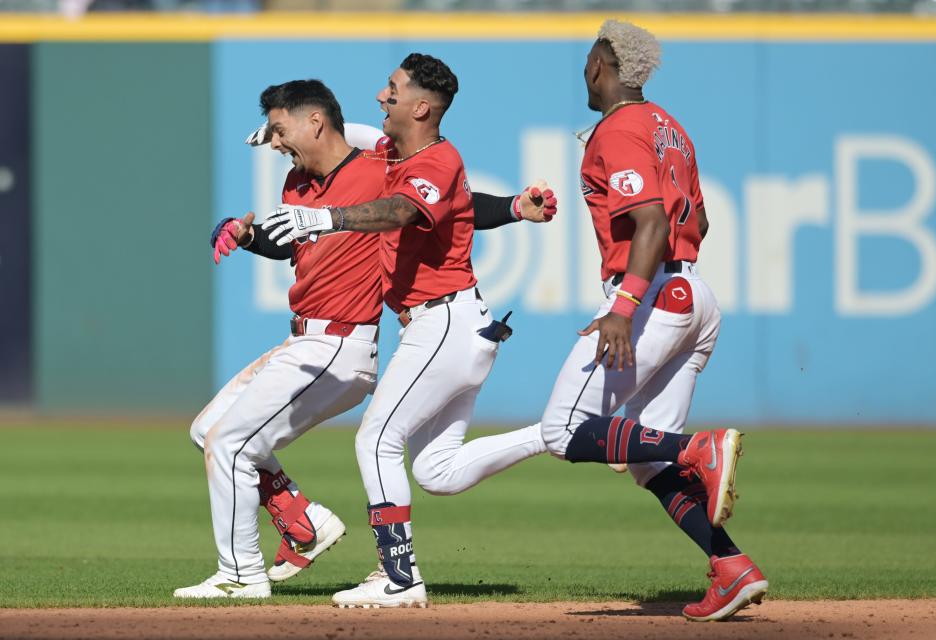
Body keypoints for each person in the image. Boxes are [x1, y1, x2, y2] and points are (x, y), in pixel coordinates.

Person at [175, 79, 556, 599]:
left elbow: (451, 204)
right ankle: (302, 520)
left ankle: (243, 574)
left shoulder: (379, 170)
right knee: (207, 431)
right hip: (301, 339)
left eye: (279, 129)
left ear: (314, 122)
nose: (275, 142)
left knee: (233, 443)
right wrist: (247, 237)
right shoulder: (297, 184)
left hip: (339, 346)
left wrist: (513, 206)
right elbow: (292, 245)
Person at [533, 20, 767, 622]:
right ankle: (730, 567)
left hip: (651, 293)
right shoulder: (672, 128)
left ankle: (701, 448)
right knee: (648, 460)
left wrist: (625, 306)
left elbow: (653, 223)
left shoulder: (620, 128)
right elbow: (700, 222)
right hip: (692, 293)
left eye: (587, 60)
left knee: (563, 430)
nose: (583, 70)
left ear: (600, 68)